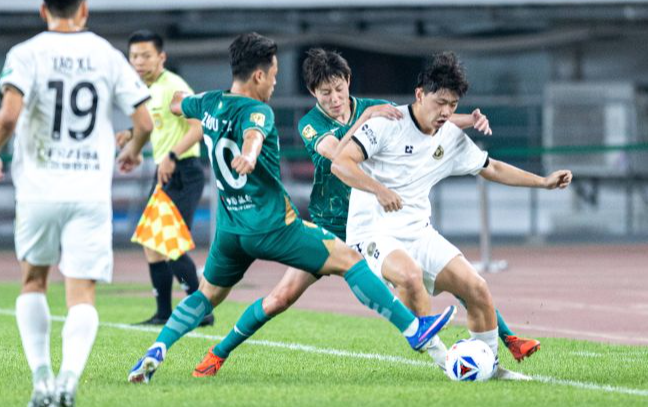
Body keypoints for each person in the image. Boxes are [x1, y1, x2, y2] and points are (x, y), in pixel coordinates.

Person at [127, 32, 456, 384]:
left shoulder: (209, 103)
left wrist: (186, 102)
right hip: (274, 227)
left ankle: (157, 350)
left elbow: (178, 103)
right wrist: (249, 155)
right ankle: (414, 329)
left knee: (208, 295)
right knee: (349, 262)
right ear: (258, 75)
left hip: (231, 230)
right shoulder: (260, 112)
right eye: (273, 74)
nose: (274, 82)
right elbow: (254, 136)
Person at [191, 48, 498, 378]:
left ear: (349, 81)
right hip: (330, 229)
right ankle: (218, 352)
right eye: (325, 93)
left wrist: (469, 120)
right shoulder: (311, 124)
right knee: (280, 298)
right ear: (313, 92)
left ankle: (473, 352)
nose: (335, 99)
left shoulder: (372, 106)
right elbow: (338, 154)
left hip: (375, 227)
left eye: (339, 89)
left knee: (450, 276)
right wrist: (365, 120)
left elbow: (423, 116)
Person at [331, 51, 572, 376]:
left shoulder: (451, 138)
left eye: (453, 105)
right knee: (410, 276)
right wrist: (379, 190)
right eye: (440, 102)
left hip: (418, 232)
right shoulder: (387, 124)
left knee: (477, 288)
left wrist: (543, 182)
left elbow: (492, 168)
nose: (446, 111)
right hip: (373, 232)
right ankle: (446, 362)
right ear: (420, 94)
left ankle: (490, 368)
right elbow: (340, 163)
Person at [0, 0, 153, 407]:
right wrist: (132, 151)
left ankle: (41, 378)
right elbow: (144, 121)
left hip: (38, 189)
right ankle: (68, 380)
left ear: (43, 9)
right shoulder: (106, 54)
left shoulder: (26, 53)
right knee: (82, 291)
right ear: (84, 8)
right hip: (88, 191)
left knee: (33, 281)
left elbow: (8, 115)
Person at [116, 30, 213, 327]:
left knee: (170, 244)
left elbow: (198, 127)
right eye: (134, 56)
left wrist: (172, 155)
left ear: (161, 57)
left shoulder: (174, 87)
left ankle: (202, 310)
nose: (139, 62)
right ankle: (163, 313)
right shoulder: (147, 89)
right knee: (152, 243)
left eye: (146, 56)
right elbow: (159, 125)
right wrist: (131, 136)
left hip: (184, 171)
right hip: (166, 172)